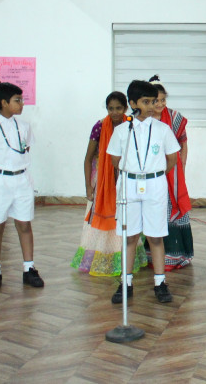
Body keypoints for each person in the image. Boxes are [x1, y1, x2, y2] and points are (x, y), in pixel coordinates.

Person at [106, 80, 180, 304]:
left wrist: (152, 175)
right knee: (129, 236)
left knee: (155, 236)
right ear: (132, 103)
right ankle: (125, 283)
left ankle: (160, 282)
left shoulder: (163, 129)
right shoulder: (121, 131)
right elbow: (115, 160)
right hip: (129, 185)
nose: (151, 106)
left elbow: (172, 159)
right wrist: (135, 174)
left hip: (155, 185)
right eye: (146, 102)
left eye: (154, 102)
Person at [0, 82, 44, 292]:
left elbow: (26, 148)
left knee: (24, 224)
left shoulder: (24, 126)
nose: (22, 104)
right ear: (3, 103)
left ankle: (29, 268)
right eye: (17, 100)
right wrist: (0, 170)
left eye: (22, 99)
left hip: (21, 179)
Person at [71, 92, 147, 275]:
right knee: (103, 221)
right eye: (110, 108)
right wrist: (88, 187)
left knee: (124, 218)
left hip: (125, 179)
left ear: (126, 108)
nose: (114, 112)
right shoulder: (99, 127)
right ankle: (103, 259)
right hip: (102, 182)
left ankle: (124, 261)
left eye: (118, 108)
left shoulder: (130, 125)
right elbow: (88, 158)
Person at [148, 75, 194, 270]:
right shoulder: (143, 119)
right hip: (152, 172)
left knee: (172, 208)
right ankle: (153, 256)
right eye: (156, 100)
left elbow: (183, 141)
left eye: (163, 100)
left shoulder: (174, 118)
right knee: (155, 211)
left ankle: (176, 255)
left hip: (172, 173)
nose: (160, 104)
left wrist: (180, 165)